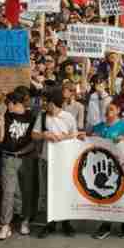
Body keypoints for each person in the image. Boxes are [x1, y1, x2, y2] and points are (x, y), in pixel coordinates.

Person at [37, 87, 81, 238]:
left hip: (64, 160)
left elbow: (75, 135)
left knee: (64, 190)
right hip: (47, 159)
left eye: (45, 101)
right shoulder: (42, 117)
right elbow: (34, 134)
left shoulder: (68, 117)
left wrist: (65, 137)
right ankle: (50, 222)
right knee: (49, 191)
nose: (42, 104)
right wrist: (44, 134)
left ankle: (65, 221)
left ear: (53, 102)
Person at [0, 89, 37, 241]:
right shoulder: (6, 116)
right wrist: (0, 122)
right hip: (8, 157)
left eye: (9, 104)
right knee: (8, 191)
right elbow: (0, 140)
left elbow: (34, 140)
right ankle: (5, 224)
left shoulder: (31, 117)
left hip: (26, 159)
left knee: (24, 191)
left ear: (16, 103)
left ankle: (24, 220)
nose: (7, 106)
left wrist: (25, 151)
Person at [90, 100, 124, 240]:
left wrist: (123, 138)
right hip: (103, 166)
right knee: (106, 194)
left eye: (111, 109)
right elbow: (87, 135)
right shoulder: (99, 126)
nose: (108, 111)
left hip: (120, 165)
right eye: (106, 109)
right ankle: (106, 224)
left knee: (122, 193)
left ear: (118, 111)